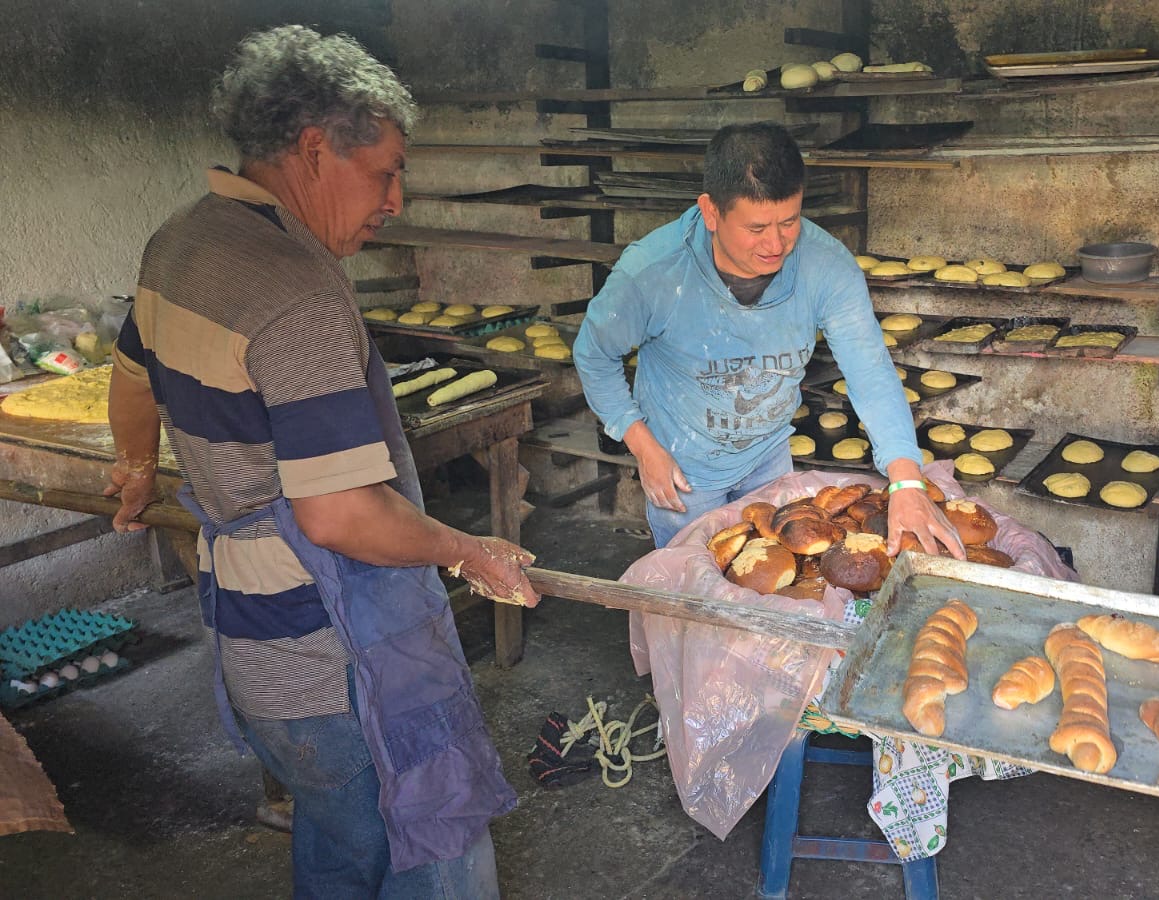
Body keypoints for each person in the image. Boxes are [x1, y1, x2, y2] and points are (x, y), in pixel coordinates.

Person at [103, 25, 535, 897]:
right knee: (432, 837)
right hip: (335, 656)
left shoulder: (180, 240)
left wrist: (137, 467)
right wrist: (468, 550)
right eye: (384, 173)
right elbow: (340, 515)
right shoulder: (295, 292)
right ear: (312, 150)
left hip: (249, 641)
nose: (396, 199)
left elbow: (131, 375)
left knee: (338, 846)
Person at [574, 122, 964, 555]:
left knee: (776, 573)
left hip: (768, 458)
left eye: (790, 221)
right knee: (694, 585)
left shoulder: (825, 266)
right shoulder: (652, 273)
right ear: (710, 212)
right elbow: (593, 355)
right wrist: (643, 446)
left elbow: (869, 371)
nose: (776, 244)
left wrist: (906, 481)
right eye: (757, 228)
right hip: (683, 468)